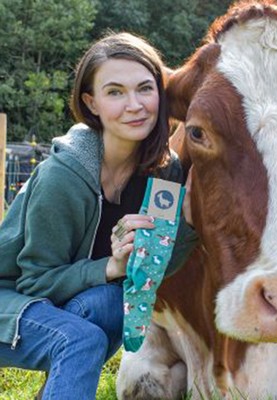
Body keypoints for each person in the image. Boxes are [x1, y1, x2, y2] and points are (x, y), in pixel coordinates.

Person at [0, 32, 197, 400]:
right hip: (9, 296)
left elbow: (154, 265)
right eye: (115, 92)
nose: (135, 105)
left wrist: (185, 224)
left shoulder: (164, 174)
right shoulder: (63, 176)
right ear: (91, 103)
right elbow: (35, 281)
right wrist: (111, 266)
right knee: (81, 340)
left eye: (144, 88)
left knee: (112, 302)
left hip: (53, 303)